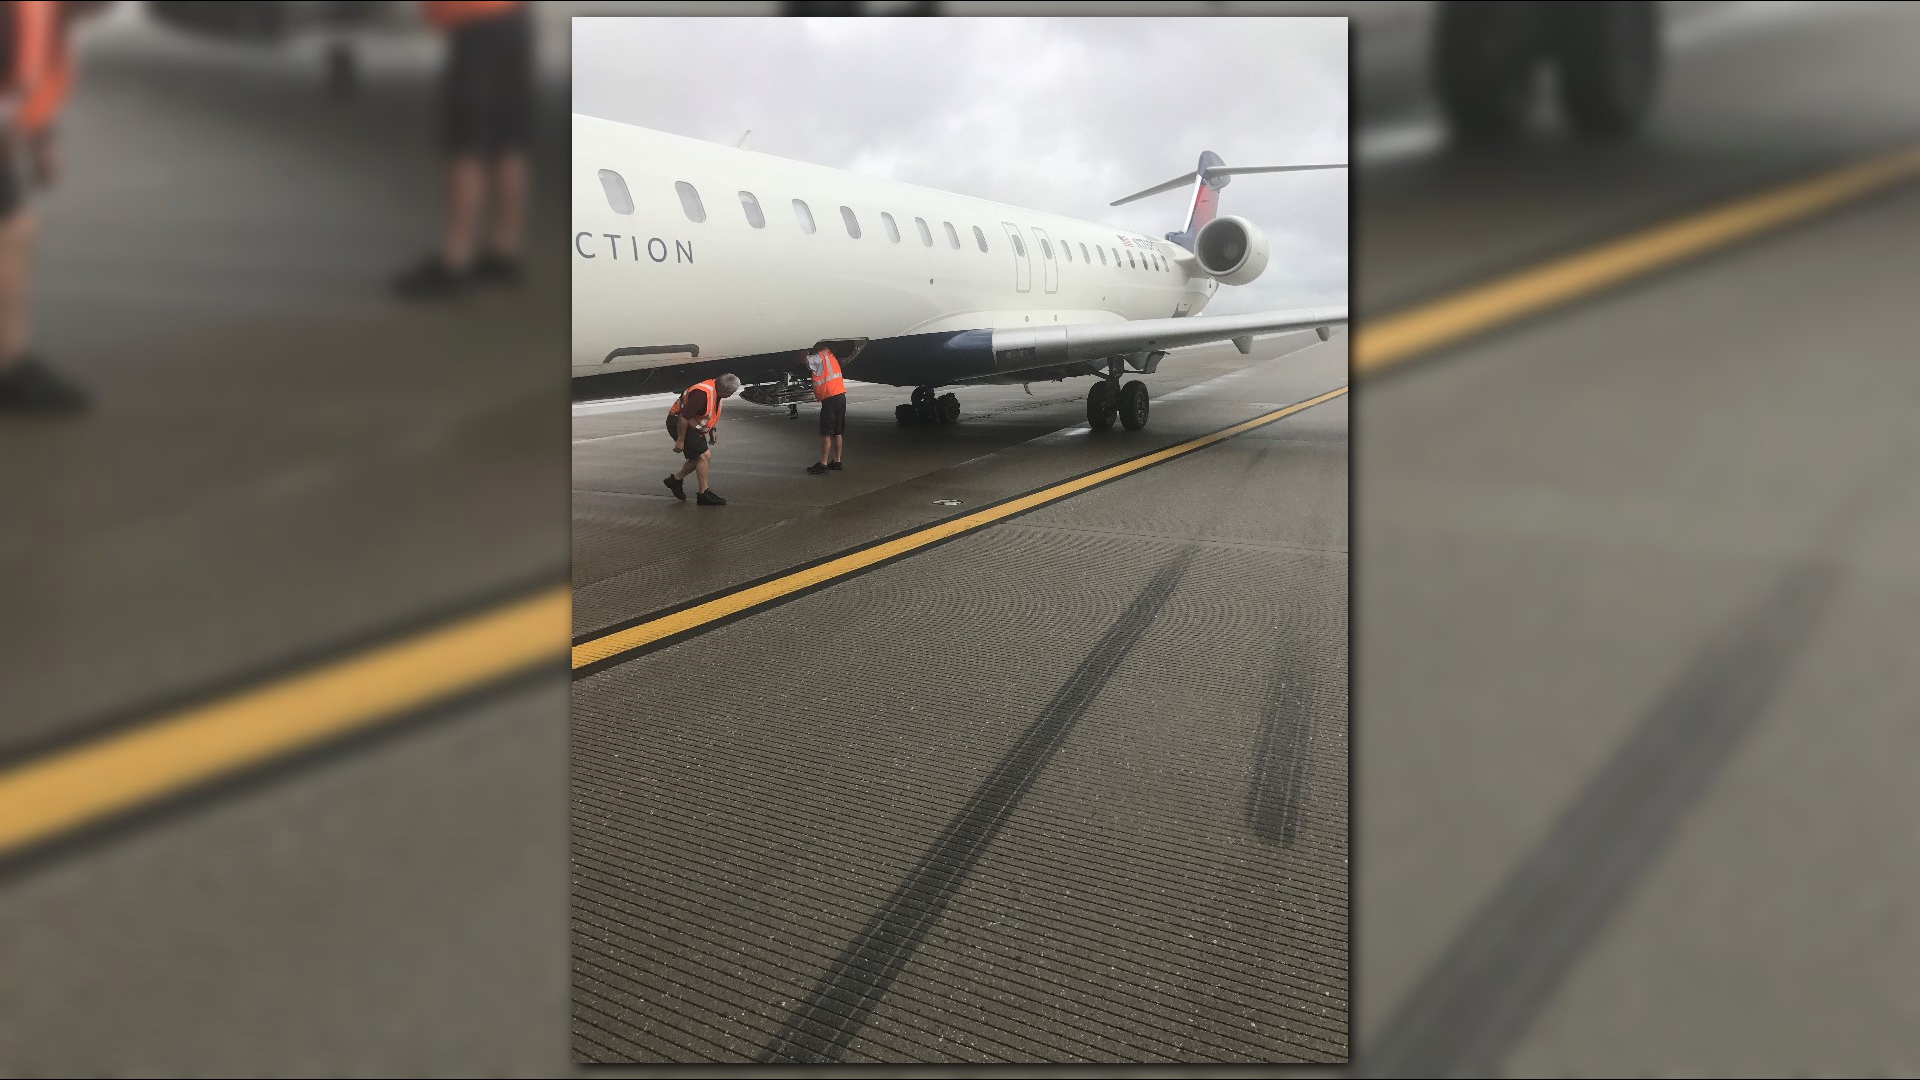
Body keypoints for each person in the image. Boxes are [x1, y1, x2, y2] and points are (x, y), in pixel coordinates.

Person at [0, 0, 110, 414]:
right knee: (12, 229)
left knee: (13, 229)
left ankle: (8, 364)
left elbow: (26, 79)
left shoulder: (46, 15)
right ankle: (8, 369)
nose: (107, 10)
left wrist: (43, 140)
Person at [392, 0, 532, 300]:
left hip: (476, 24)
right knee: (506, 142)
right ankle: (503, 252)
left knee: (465, 147)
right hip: (510, 18)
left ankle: (455, 261)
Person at [664, 373, 739, 506]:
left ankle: (675, 480)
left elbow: (709, 411)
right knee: (704, 455)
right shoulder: (701, 394)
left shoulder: (716, 390)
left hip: (692, 426)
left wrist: (712, 430)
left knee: (697, 459)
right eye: (732, 392)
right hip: (679, 423)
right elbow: (683, 417)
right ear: (726, 391)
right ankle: (704, 494)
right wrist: (680, 440)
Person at [803, 344, 846, 474]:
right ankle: (837, 461)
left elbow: (806, 361)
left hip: (830, 398)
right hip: (840, 396)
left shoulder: (819, 356)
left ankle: (823, 464)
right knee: (837, 432)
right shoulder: (831, 356)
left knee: (826, 433)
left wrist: (802, 353)